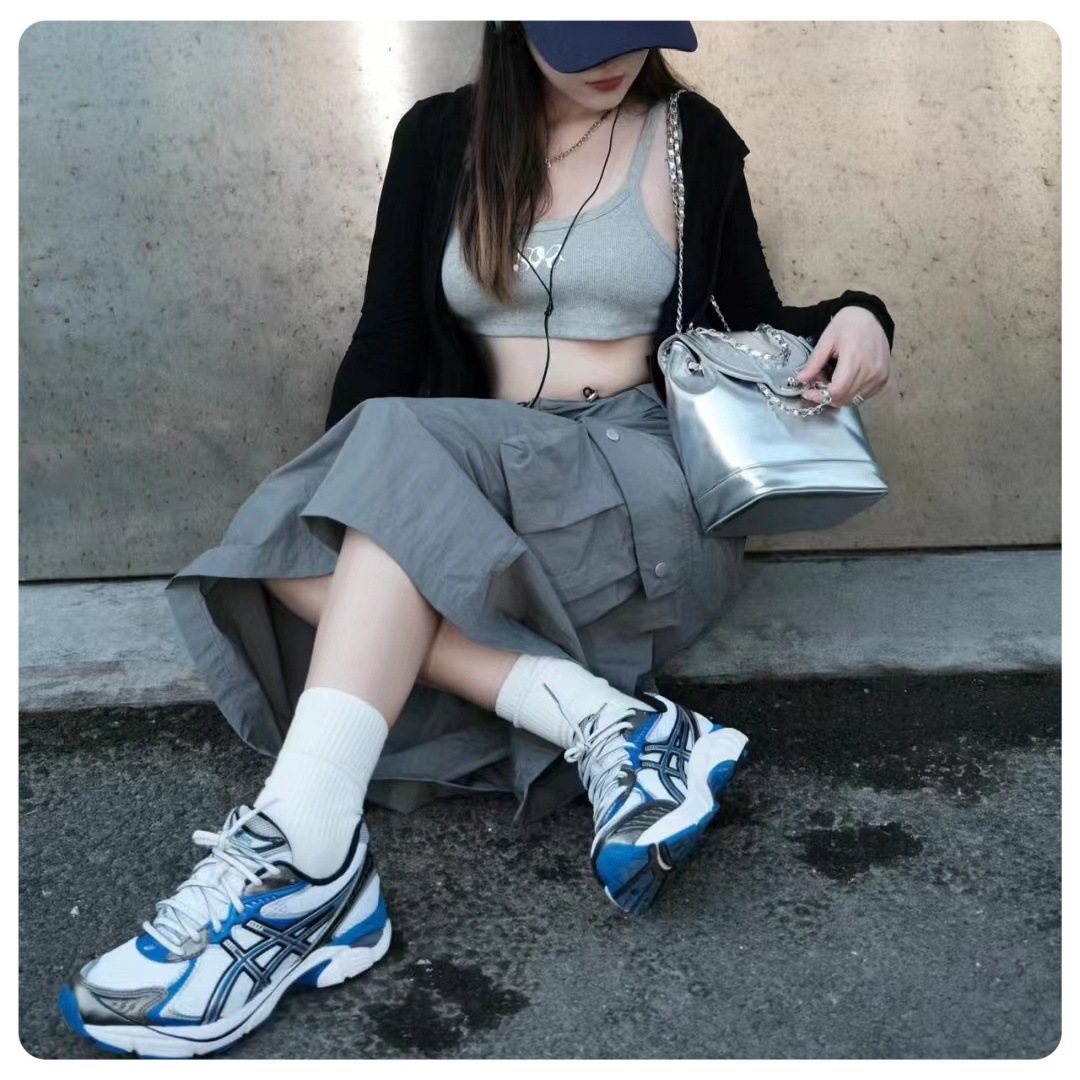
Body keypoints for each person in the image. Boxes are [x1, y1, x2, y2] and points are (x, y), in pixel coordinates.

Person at [58, 21, 894, 1058]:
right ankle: (606, 724)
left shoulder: (690, 136)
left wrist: (861, 313)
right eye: (584, 37)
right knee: (277, 539)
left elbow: (752, 314)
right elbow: (388, 339)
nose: (614, 59)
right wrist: (355, 500)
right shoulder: (438, 138)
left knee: (361, 494)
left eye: (636, 31)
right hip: (480, 481)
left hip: (633, 481)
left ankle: (304, 866)